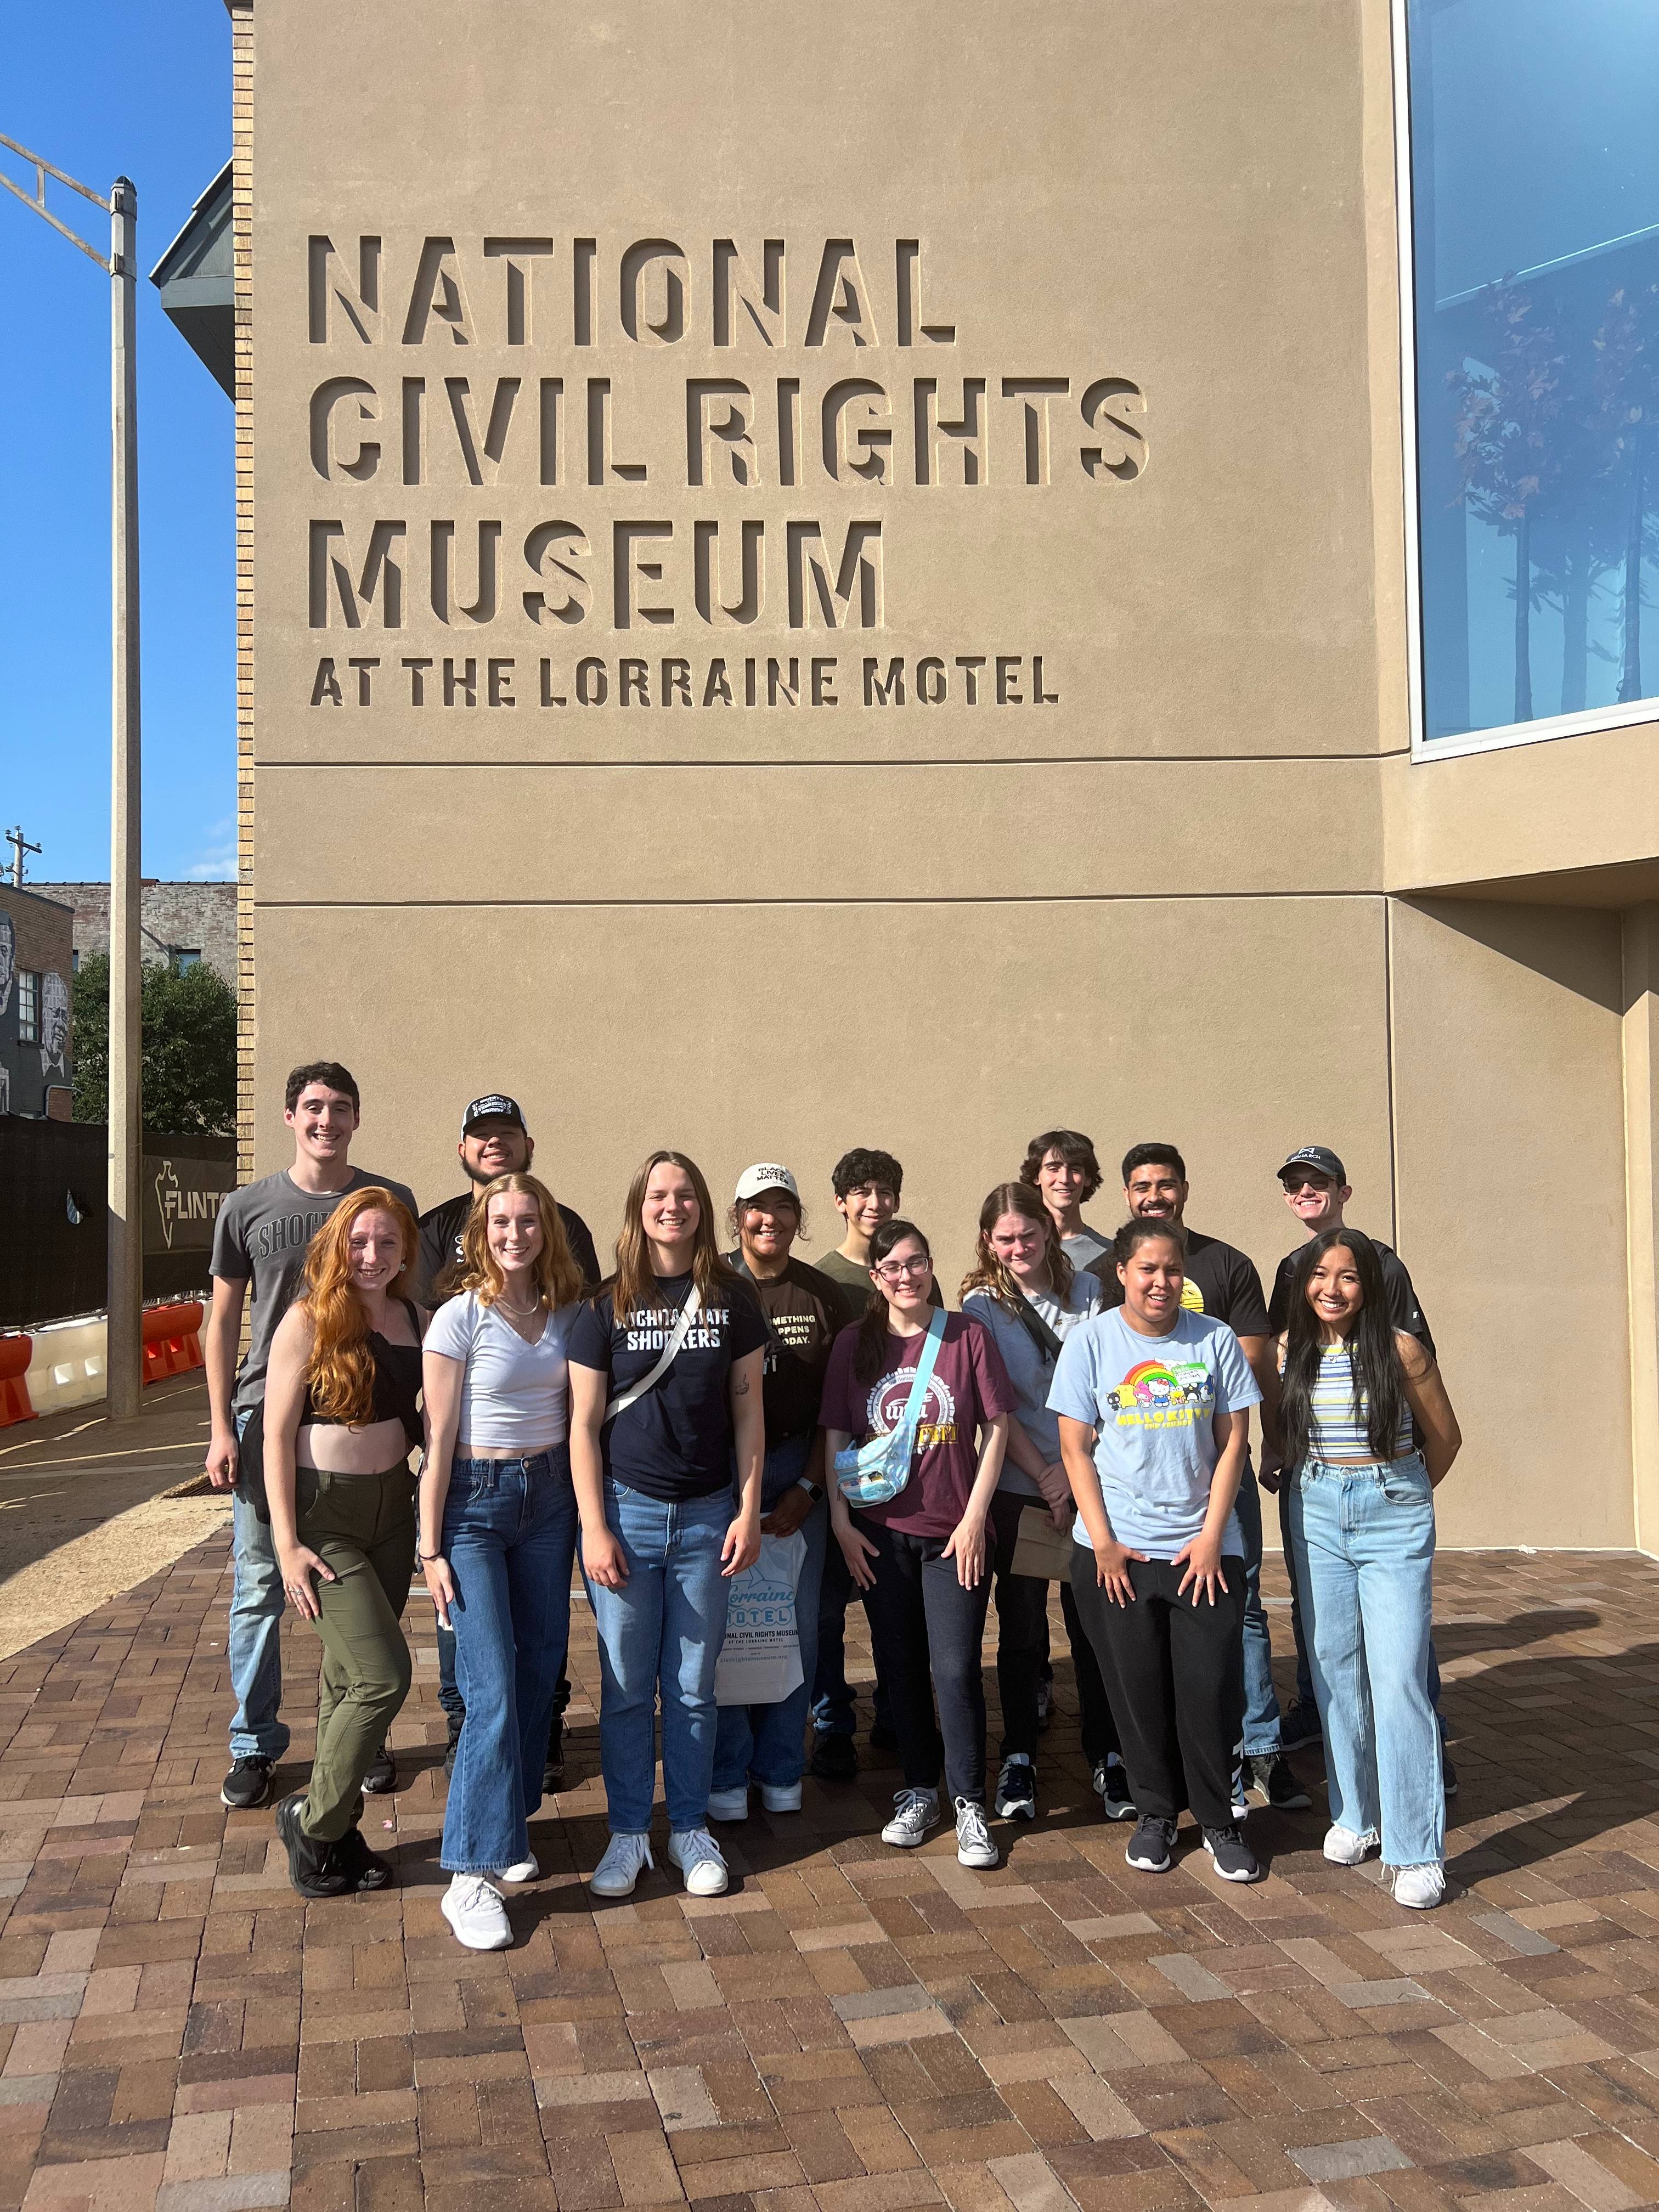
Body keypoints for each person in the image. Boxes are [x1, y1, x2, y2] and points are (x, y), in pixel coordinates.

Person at [205, 1062, 417, 1813]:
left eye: (341, 1108)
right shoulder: (248, 1206)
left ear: (357, 1119)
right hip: (271, 1416)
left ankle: (362, 1739)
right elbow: (224, 1318)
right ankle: (254, 1742)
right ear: (291, 1116)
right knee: (263, 1586)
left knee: (356, 1609)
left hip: (358, 1426)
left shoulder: (387, 1205)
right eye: (314, 1108)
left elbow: (403, 1328)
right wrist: (219, 1424)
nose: (327, 1120)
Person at [1086, 1144, 1309, 1817]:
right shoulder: (1106, 1271)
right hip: (1141, 1480)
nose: (1154, 1195)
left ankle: (1259, 1746)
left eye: (1165, 1184)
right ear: (1127, 1195)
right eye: (1141, 1186)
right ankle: (1174, 1764)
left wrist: (1262, 1441)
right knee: (1150, 1620)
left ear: (1185, 1188)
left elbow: (1247, 1364)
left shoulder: (1225, 1263)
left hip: (1219, 1469)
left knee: (1237, 1606)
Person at [567, 1151, 766, 1899]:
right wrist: (594, 1525)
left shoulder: (734, 1299)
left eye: (684, 1195)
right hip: (626, 1512)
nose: (672, 1206)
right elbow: (582, 1425)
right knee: (623, 1689)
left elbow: (750, 1412)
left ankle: (687, 1828)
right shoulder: (603, 1304)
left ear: (702, 1207)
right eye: (658, 1194)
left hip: (709, 1516)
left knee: (690, 1688)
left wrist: (748, 1511)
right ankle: (627, 1833)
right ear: (638, 1206)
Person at [1054, 1217, 1261, 1883]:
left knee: (1206, 1691)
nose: (1161, 1282)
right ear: (1121, 1272)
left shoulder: (1216, 1339)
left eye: (1172, 1270)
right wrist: (1106, 1544)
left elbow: (1234, 1443)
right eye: (1147, 1269)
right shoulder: (1091, 1342)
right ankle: (1155, 1814)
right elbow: (1075, 1448)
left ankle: (1219, 1820)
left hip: (1202, 1554)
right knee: (1135, 1692)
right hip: (1118, 1555)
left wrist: (1210, 1539)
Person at [420, 1173, 584, 1950]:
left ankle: (505, 1830)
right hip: (476, 1507)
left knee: (539, 1669)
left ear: (545, 1229)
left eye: (527, 1221)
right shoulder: (459, 1318)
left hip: (550, 1501)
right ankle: (469, 1874)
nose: (514, 1233)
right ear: (480, 1232)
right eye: (500, 1221)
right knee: (488, 1686)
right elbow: (438, 1443)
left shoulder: (564, 1315)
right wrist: (431, 1549)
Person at [416, 1094, 599, 1790]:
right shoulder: (437, 1231)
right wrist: (428, 1540)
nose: (494, 1145)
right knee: (478, 1654)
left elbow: (581, 1342)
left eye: (506, 1135)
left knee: (538, 1651)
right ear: (462, 1147)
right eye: (480, 1136)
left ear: (529, 1144)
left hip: (546, 1482)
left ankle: (530, 1753)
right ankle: (472, 1748)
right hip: (470, 1469)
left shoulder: (566, 1235)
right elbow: (421, 1322)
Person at [821, 1219, 1015, 1869]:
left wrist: (974, 1517)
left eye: (916, 1263)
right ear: (875, 1277)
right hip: (879, 1536)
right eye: (892, 1267)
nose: (906, 1276)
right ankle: (919, 1789)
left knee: (956, 1669)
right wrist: (843, 1523)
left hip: (952, 1534)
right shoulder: (856, 1342)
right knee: (899, 1668)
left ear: (931, 1265)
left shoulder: (967, 1336)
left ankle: (968, 1802)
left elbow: (998, 1429)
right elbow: (835, 1438)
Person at [1262, 1146, 1456, 1792]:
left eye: (1319, 1183)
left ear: (1346, 1190)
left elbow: (1421, 1391)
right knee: (1331, 1643)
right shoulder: (1291, 1269)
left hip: (1385, 1489)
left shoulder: (1384, 1264)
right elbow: (1289, 1374)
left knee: (1401, 1656)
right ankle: (1335, 1748)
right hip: (1317, 1490)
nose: (1307, 1193)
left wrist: (1401, 1485)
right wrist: (1282, 1450)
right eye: (1296, 1186)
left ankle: (1427, 1755)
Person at [1278, 1228, 1462, 1909]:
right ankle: (1359, 1815)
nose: (1332, 1288)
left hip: (1391, 1506)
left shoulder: (1400, 1347)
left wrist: (1401, 1497)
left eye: (1348, 1277)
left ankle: (1417, 1852)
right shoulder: (1294, 1352)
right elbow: (1282, 1433)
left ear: (1370, 1286)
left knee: (1398, 1677)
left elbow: (1445, 1439)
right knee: (1333, 1667)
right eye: (1320, 1276)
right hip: (1317, 1509)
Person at [262, 1188, 425, 1897]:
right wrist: (286, 1543)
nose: (372, 1256)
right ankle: (316, 1822)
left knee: (344, 1680)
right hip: (326, 1518)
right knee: (383, 1675)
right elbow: (274, 1433)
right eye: (359, 1242)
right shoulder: (307, 1319)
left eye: (387, 1244)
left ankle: (340, 1827)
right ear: (337, 1245)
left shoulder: (415, 1317)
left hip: (394, 1514)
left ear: (404, 1253)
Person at [961, 1184, 1132, 1823]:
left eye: (1027, 1236)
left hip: (1087, 1480)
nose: (1017, 1248)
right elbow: (994, 1407)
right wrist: (1047, 1476)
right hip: (1018, 1485)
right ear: (988, 1241)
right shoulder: (980, 1308)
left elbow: (1106, 1384)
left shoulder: (1090, 1292)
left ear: (1048, 1231)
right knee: (1023, 1627)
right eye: (1004, 1239)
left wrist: (1072, 1473)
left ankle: (1107, 1754)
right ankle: (1020, 1756)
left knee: (1094, 1626)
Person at [708, 1165, 847, 1822]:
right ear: (737, 1216)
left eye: (783, 1208)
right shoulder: (708, 1287)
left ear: (799, 1218)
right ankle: (729, 1769)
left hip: (799, 1464)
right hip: (723, 1469)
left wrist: (811, 1488)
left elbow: (837, 1410)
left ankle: (782, 1764)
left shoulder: (822, 1294)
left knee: (795, 1623)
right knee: (728, 1624)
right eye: (757, 1209)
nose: (771, 1220)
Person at [809, 1147, 932, 1778]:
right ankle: (832, 1719)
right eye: (861, 1191)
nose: (873, 1202)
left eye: (884, 1190)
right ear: (840, 1201)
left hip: (905, 1478)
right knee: (829, 1607)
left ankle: (895, 1706)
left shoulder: (912, 1273)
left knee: (896, 1605)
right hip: (843, 1469)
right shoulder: (822, 1278)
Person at [1019, 1128, 1114, 1270]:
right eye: (1054, 1169)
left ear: (1087, 1178)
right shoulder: (1019, 1249)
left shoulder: (1109, 1254)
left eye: (1074, 1169)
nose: (1064, 1179)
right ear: (1036, 1177)